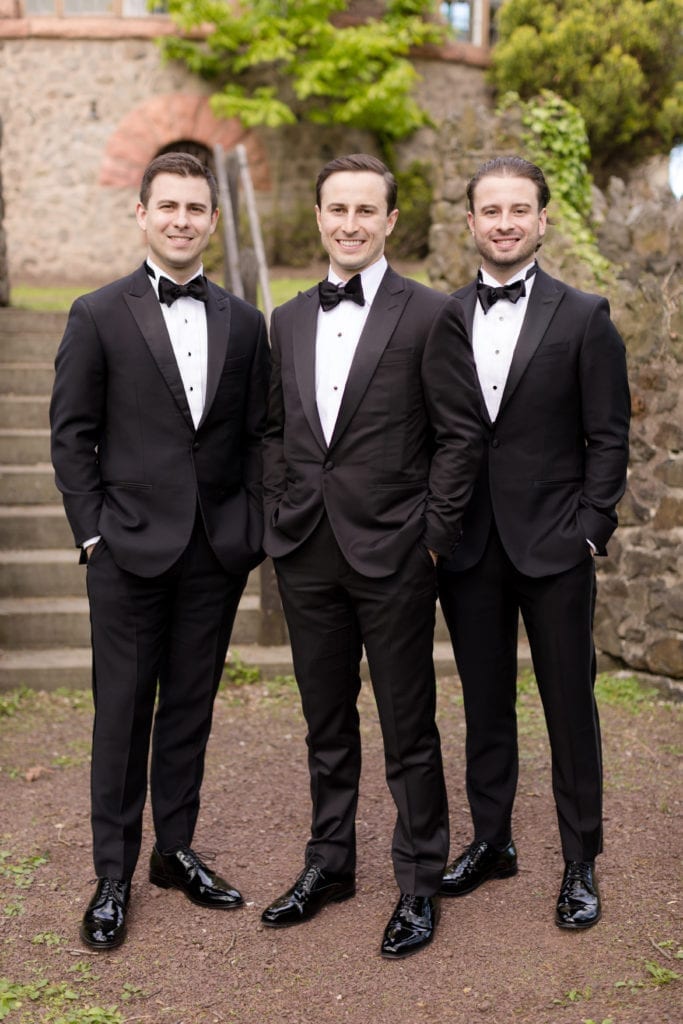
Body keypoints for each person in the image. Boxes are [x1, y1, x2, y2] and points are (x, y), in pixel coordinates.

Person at [260, 153, 483, 959]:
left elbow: (460, 437)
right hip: (305, 553)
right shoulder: (283, 319)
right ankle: (331, 864)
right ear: (317, 216)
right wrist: (277, 510)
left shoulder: (428, 315)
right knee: (325, 724)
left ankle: (419, 882)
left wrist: (430, 538)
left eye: (365, 210)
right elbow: (273, 430)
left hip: (395, 554)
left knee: (407, 727)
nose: (348, 223)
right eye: (336, 209)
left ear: (390, 221)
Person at [50, 152, 270, 950]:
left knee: (188, 710)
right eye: (167, 205)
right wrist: (93, 533)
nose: (181, 219)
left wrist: (247, 530)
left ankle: (174, 851)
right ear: (140, 213)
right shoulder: (96, 313)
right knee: (121, 714)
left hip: (213, 551)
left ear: (214, 220)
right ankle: (112, 873)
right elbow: (72, 436)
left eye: (195, 208)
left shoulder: (246, 324)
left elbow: (256, 437)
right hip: (127, 551)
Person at [437, 156, 630, 929]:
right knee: (484, 706)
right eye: (491, 210)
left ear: (542, 220)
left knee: (566, 706)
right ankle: (491, 841)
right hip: (467, 548)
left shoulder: (583, 316)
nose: (506, 221)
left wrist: (590, 529)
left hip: (555, 546)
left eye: (520, 209)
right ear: (471, 223)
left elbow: (607, 436)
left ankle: (580, 860)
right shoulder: (443, 316)